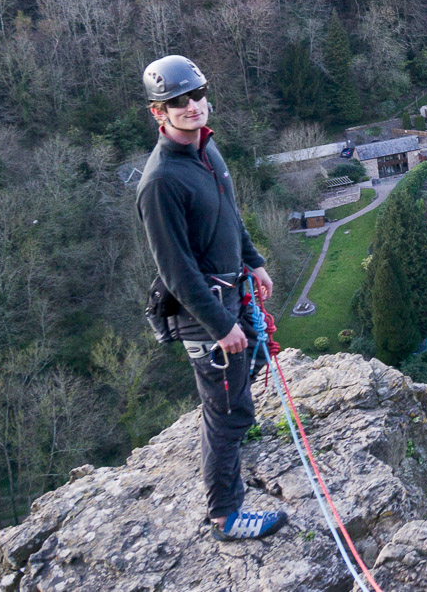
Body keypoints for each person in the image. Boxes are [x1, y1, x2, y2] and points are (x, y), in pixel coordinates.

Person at [136, 55, 289, 542]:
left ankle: (228, 447)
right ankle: (224, 514)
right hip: (203, 312)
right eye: (177, 102)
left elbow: (229, 214)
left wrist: (255, 259)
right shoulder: (160, 182)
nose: (191, 106)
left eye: (197, 95)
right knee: (228, 410)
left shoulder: (206, 151)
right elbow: (176, 270)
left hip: (230, 291)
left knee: (242, 383)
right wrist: (222, 327)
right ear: (157, 113)